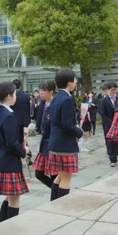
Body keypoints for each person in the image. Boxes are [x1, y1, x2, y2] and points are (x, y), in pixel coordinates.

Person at [0, 82, 30, 222]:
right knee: (14, 199)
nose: (16, 97)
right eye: (14, 94)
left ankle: (1, 225)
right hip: (9, 163)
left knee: (9, 198)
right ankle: (9, 230)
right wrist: (24, 150)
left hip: (0, 161)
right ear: (8, 96)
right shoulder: (7, 115)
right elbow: (12, 143)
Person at [47, 68, 83, 200]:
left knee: (60, 176)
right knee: (66, 178)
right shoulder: (67, 99)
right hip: (65, 145)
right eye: (74, 80)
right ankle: (60, 207)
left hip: (55, 143)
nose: (75, 82)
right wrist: (79, 132)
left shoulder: (56, 97)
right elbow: (67, 124)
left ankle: (53, 203)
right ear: (69, 83)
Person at [31, 80, 57, 188]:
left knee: (54, 174)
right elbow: (40, 117)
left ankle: (58, 194)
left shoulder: (55, 104)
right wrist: (38, 127)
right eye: (40, 90)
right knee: (39, 173)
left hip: (53, 142)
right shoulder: (43, 102)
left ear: (51, 91)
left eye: (43, 90)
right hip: (44, 142)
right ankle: (56, 191)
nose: (41, 93)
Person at [99, 82, 118, 167]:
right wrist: (111, 122)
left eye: (114, 89)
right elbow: (102, 113)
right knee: (110, 142)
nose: (113, 91)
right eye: (111, 90)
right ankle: (112, 159)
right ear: (108, 90)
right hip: (108, 124)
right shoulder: (103, 100)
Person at [11, 79, 31, 146]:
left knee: (15, 138)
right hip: (24, 121)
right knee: (24, 138)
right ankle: (25, 150)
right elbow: (28, 109)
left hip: (13, 120)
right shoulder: (25, 96)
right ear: (20, 86)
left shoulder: (10, 96)